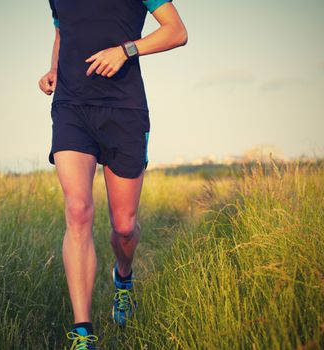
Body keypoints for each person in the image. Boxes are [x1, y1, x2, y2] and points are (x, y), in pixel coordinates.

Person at [38, 0, 187, 348]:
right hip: (71, 106)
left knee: (123, 226)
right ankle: (82, 333)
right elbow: (62, 31)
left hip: (124, 109)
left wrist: (126, 50)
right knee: (77, 210)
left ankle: (123, 279)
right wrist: (54, 69)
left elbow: (177, 31)